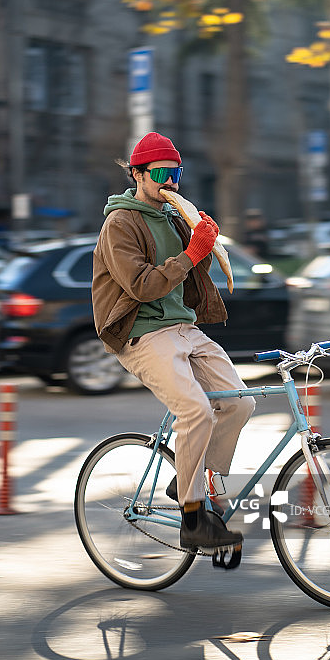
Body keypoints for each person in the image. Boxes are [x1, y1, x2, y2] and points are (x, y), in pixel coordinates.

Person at [92, 131, 255, 555]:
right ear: (138, 174)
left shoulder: (175, 217)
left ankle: (196, 479)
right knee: (195, 410)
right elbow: (143, 286)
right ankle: (193, 518)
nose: (172, 183)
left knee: (240, 402)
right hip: (141, 331)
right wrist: (192, 253)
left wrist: (205, 238)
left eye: (177, 173)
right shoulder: (119, 223)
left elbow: (196, 272)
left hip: (184, 327)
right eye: (162, 173)